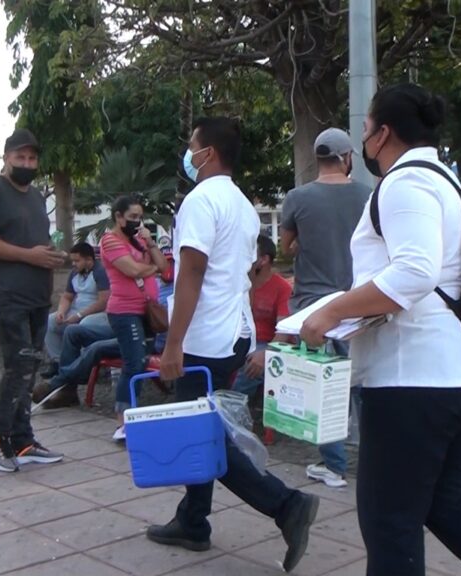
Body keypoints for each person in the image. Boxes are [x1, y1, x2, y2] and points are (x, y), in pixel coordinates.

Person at [300, 83, 461, 576]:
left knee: (389, 522)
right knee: (445, 500)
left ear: (383, 133)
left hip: (414, 379)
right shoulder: (445, 181)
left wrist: (331, 312)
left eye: (366, 128)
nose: (363, 139)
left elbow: (415, 271)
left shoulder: (405, 182)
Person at [147, 117, 319, 574]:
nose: (188, 154)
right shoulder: (241, 204)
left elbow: (192, 272)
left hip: (204, 336)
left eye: (192, 146)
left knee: (200, 437)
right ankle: (193, 521)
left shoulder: (201, 201)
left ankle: (285, 505)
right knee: (204, 425)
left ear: (208, 153)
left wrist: (173, 343)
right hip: (234, 333)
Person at [0, 128, 65, 473]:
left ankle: (23, 440)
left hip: (37, 297)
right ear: (6, 157)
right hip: (6, 297)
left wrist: (50, 256)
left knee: (30, 368)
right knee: (17, 367)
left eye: (32, 158)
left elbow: (33, 242)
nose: (26, 163)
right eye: (20, 157)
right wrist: (28, 256)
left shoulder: (36, 197)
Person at [280, 127, 372, 488]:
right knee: (362, 384)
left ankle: (334, 466)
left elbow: (286, 247)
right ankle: (376, 462)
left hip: (311, 308)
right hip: (356, 303)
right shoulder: (367, 195)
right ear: (346, 158)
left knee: (323, 386)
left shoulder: (297, 198)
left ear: (318, 158)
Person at [100, 195, 169, 442]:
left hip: (146, 310)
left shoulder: (139, 240)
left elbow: (165, 267)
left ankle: (133, 414)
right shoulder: (110, 241)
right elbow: (132, 270)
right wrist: (153, 269)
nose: (137, 222)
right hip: (124, 311)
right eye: (132, 217)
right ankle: (123, 421)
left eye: (140, 217)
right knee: (134, 363)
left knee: (140, 361)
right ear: (118, 217)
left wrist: (150, 243)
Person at [231, 235, 293, 398]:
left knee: (250, 363)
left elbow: (284, 331)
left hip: (265, 343)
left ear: (264, 260)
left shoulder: (282, 288)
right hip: (239, 337)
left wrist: (266, 353)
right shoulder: (239, 283)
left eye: (250, 253)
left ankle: (232, 405)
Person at [40, 242, 112, 376]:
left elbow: (103, 301)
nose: (73, 264)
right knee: (50, 322)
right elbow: (67, 297)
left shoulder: (100, 272)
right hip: (77, 310)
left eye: (77, 261)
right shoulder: (75, 273)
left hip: (99, 313)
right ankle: (58, 362)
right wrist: (61, 312)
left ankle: (84, 366)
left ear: (88, 259)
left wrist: (79, 315)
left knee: (84, 325)